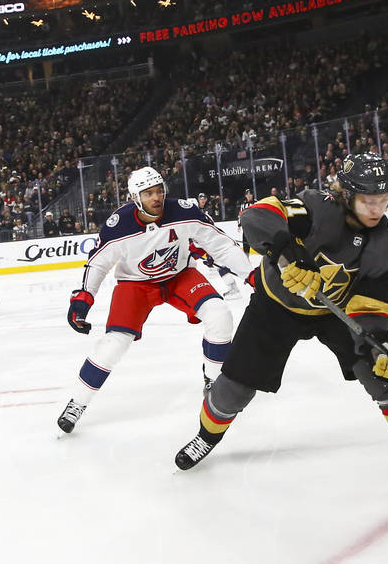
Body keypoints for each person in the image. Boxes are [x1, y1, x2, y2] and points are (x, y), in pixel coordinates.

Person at [173, 152, 388, 506]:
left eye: (383, 200)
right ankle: (206, 436)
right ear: (345, 193)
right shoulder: (314, 207)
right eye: (367, 199)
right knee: (233, 390)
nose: (375, 209)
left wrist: (381, 340)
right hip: (275, 306)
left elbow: (373, 307)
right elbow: (256, 215)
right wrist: (287, 248)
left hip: (336, 314)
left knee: (385, 374)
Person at [57, 166, 254, 433]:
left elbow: (220, 245)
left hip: (179, 276)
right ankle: (77, 403)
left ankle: (213, 381)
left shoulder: (184, 212)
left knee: (220, 314)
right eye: (148, 193)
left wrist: (251, 274)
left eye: (159, 191)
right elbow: (98, 264)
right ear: (135, 197)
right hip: (135, 285)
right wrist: (83, 299)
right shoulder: (119, 225)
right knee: (114, 344)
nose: (156, 197)